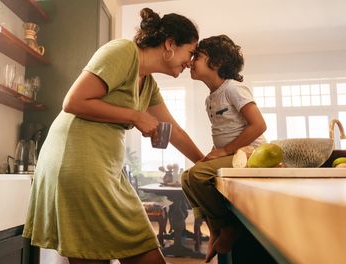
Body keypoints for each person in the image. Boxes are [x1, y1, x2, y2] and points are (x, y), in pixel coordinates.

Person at [22, 7, 204, 264]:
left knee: (141, 248)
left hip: (106, 169)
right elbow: (73, 102)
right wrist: (136, 116)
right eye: (191, 51)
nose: (191, 61)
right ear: (170, 44)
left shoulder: (148, 83)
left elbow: (174, 130)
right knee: (96, 254)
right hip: (77, 160)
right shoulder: (122, 52)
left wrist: (206, 163)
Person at [181, 35, 267, 263]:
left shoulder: (234, 89)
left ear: (217, 63)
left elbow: (258, 125)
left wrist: (225, 150)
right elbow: (224, 131)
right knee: (186, 177)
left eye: (197, 57)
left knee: (198, 175)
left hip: (250, 155)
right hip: (231, 153)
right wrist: (214, 152)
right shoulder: (210, 99)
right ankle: (215, 229)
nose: (190, 61)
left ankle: (228, 228)